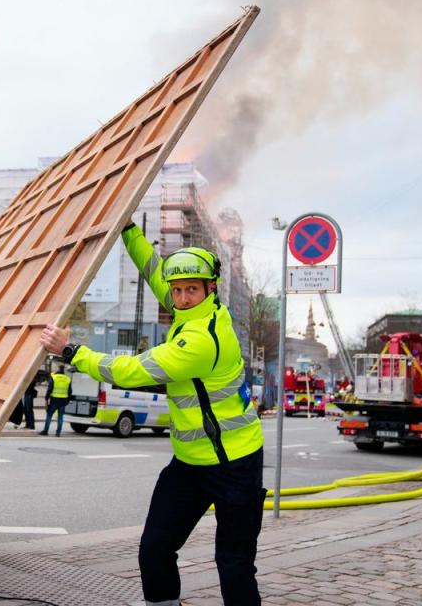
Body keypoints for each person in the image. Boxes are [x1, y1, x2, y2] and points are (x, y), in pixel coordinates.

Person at [41, 222, 265, 606]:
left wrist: (72, 352)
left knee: (233, 563)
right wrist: (128, 228)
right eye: (177, 290)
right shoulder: (188, 307)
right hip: (189, 465)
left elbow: (135, 370)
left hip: (235, 463)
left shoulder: (202, 338)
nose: (180, 297)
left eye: (191, 289)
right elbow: (152, 268)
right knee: (154, 549)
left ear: (211, 288)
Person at [39, 364, 71, 436]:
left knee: (49, 415)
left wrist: (46, 398)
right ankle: (58, 432)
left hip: (54, 400)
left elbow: (50, 389)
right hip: (63, 401)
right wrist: (67, 400)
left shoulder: (54, 378)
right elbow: (70, 391)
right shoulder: (67, 379)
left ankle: (45, 431)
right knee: (60, 417)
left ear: (58, 369)